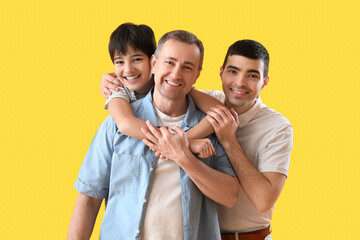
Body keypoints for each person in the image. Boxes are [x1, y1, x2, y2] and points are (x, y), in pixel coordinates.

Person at [67, 30, 239, 240]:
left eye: (187, 67)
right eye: (169, 62)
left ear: (197, 74)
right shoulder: (116, 122)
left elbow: (230, 196)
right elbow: (88, 198)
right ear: (154, 63)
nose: (176, 74)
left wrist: (182, 155)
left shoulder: (211, 128)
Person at [140, 40, 293, 240]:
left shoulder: (277, 128)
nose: (240, 82)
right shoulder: (204, 103)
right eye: (233, 71)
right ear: (221, 72)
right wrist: (114, 83)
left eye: (252, 75)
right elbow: (170, 83)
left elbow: (264, 200)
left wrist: (229, 141)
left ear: (264, 82)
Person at [103, 23, 226, 159]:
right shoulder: (117, 87)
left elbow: (221, 114)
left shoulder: (168, 81)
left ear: (153, 62)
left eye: (137, 59)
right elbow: (125, 124)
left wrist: (183, 140)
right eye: (119, 62)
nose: (128, 70)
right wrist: (185, 144)